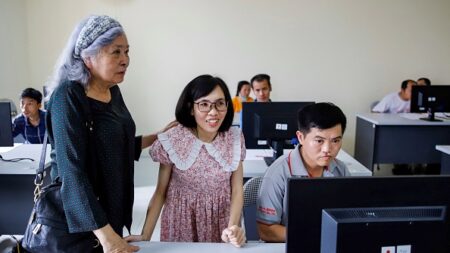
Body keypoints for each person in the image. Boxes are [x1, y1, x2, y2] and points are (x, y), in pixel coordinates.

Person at [44, 15, 168, 252]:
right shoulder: (68, 96)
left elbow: (112, 145)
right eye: (116, 52)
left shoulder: (113, 93)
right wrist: (108, 238)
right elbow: (72, 172)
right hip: (79, 226)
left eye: (127, 52)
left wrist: (158, 136)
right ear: (88, 57)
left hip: (109, 218)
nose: (125, 60)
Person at [125, 75, 246, 247]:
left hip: (221, 218)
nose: (213, 112)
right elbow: (160, 192)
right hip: (181, 221)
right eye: (204, 104)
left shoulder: (233, 138)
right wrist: (145, 235)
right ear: (191, 108)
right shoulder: (175, 139)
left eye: (220, 103)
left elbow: (237, 191)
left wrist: (232, 228)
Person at [256, 102, 350, 242]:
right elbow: (266, 230)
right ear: (300, 137)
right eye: (319, 141)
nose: (327, 149)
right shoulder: (278, 173)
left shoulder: (340, 169)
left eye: (335, 141)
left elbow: (349, 217)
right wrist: (314, 236)